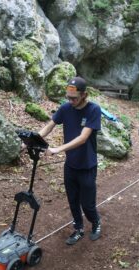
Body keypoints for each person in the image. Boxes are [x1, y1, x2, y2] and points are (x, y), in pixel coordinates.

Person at [39, 76, 101, 245]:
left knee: (87, 205)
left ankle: (95, 223)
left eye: (74, 98)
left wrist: (57, 149)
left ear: (84, 95)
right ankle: (78, 228)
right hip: (71, 166)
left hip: (87, 166)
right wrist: (33, 139)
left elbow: (83, 138)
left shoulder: (93, 110)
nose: (70, 100)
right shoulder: (66, 108)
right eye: (68, 97)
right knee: (73, 201)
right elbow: (50, 124)